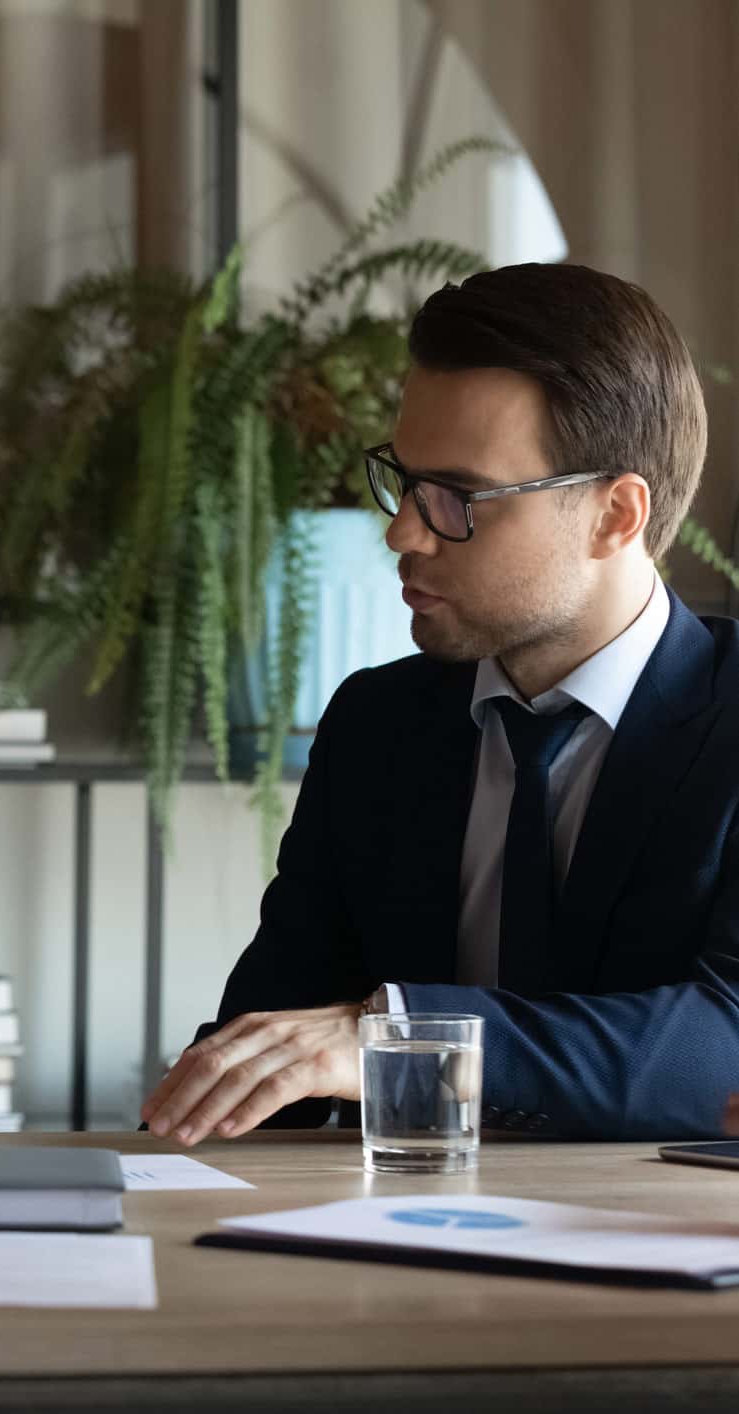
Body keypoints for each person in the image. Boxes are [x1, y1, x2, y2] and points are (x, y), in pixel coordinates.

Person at [144, 262, 739, 1145]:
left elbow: (720, 1044)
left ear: (615, 516)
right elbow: (278, 1037)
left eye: (457, 497)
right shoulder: (376, 727)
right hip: (389, 1238)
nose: (401, 532)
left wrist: (396, 1033)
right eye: (405, 481)